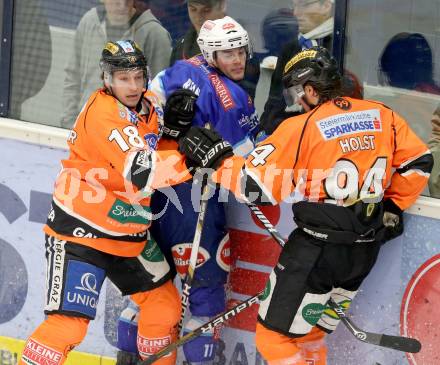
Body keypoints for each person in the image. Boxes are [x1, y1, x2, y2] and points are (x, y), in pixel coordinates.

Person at [178, 47, 433, 364]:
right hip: (364, 251)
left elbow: (255, 187)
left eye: (297, 92)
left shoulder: (300, 127)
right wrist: (394, 206)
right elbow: (420, 161)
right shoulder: (383, 115)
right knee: (310, 337)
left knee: (274, 340)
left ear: (310, 89)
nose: (296, 100)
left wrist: (218, 161)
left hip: (317, 253)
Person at [19, 40, 191, 365]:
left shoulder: (148, 107)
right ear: (107, 79)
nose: (134, 85)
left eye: (139, 76)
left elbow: (152, 147)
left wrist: (175, 133)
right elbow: (144, 171)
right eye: (124, 78)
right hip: (81, 231)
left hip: (128, 233)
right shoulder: (104, 115)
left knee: (164, 305)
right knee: (67, 327)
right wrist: (191, 159)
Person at [116, 16, 260, 365]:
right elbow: (249, 162)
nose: (237, 59)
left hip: (150, 192)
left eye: (240, 51)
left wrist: (170, 128)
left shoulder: (176, 71)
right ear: (211, 54)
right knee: (206, 288)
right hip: (193, 199)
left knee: (147, 289)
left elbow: (139, 115)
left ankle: (128, 357)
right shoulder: (233, 97)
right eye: (228, 53)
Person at [61, 0, 172, 129]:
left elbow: (159, 96)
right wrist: (69, 124)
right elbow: (73, 76)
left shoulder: (154, 34)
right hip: (85, 128)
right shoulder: (89, 21)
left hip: (129, 136)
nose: (122, 4)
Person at [260, 0, 334, 135]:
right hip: (293, 130)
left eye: (304, 5)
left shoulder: (340, 46)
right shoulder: (291, 47)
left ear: (326, 6)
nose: (296, 13)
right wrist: (263, 129)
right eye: (294, 6)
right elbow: (276, 99)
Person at [169, 0, 260, 99]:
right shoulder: (181, 46)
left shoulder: (241, 47)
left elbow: (243, 102)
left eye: (206, 10)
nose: (198, 17)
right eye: (193, 9)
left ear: (222, 6)